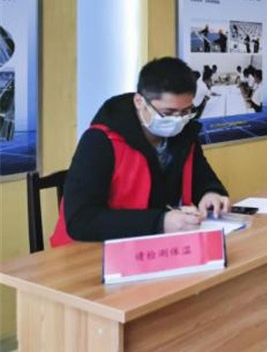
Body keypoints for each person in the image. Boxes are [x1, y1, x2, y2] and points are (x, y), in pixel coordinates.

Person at [50, 57, 230, 246]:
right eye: (168, 113)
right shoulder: (100, 141)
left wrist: (211, 194)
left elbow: (203, 179)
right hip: (89, 251)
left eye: (185, 112)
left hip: (154, 245)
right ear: (139, 102)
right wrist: (161, 222)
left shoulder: (184, 134)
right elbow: (80, 220)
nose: (178, 120)